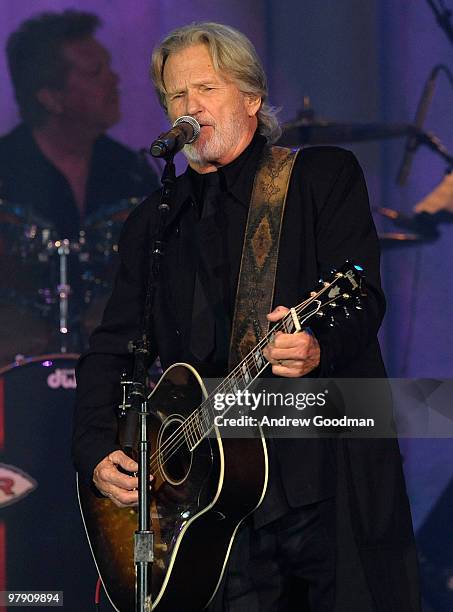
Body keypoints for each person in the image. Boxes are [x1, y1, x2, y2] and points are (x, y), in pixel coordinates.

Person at [72, 22, 420, 611]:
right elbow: (111, 348)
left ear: (252, 98)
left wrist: (317, 344)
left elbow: (360, 293)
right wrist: (95, 452)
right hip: (207, 510)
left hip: (316, 475)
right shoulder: (154, 223)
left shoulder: (318, 178)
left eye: (206, 88)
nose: (190, 107)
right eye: (176, 96)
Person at [0, 9, 159, 239]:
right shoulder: (6, 171)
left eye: (108, 67)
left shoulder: (132, 171)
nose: (114, 79)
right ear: (51, 97)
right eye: (95, 72)